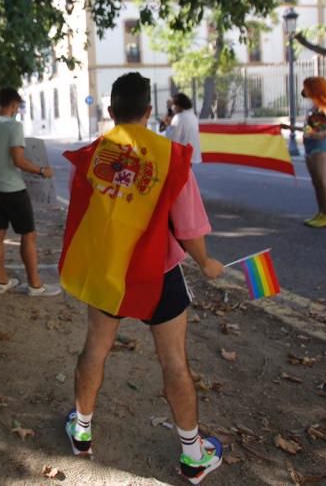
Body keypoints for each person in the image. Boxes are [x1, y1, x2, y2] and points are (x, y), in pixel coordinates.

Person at [60, 73, 224, 483]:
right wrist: (206, 263)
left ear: (111, 112)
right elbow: (187, 230)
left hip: (109, 274)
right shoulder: (172, 157)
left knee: (94, 350)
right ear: (150, 112)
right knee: (174, 361)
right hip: (160, 275)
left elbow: (85, 221)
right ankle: (192, 454)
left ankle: (82, 432)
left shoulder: (92, 158)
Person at [0, 88, 60, 297]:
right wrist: (42, 171)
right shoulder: (14, 126)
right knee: (28, 235)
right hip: (13, 189)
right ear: (14, 104)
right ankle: (35, 285)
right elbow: (19, 161)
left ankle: (2, 281)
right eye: (18, 106)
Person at [283, 77, 326, 228]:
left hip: (319, 148)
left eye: (306, 87)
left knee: (322, 182)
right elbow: (311, 129)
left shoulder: (325, 105)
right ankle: (321, 213)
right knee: (316, 182)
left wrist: (323, 135)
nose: (304, 90)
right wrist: (292, 129)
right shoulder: (316, 106)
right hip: (311, 146)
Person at [165, 93, 202, 165]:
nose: (173, 107)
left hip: (181, 156)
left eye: (174, 105)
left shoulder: (178, 118)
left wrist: (168, 126)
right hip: (192, 154)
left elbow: (172, 138)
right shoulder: (193, 116)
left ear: (179, 105)